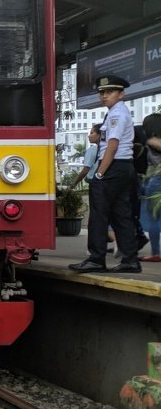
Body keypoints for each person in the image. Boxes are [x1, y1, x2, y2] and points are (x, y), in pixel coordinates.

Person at [69, 75, 140, 273]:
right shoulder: (117, 113)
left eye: (109, 92)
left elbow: (112, 145)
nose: (104, 96)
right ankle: (130, 260)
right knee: (121, 215)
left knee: (99, 214)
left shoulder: (117, 114)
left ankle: (97, 258)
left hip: (113, 166)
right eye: (102, 92)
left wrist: (99, 173)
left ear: (121, 94)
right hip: (124, 167)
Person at [139, 113, 161, 263]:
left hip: (156, 181)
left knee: (154, 219)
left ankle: (156, 253)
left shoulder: (152, 141)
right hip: (154, 180)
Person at [67, 123, 101, 189]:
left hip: (95, 183)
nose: (89, 136)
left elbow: (85, 170)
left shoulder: (92, 150)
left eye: (92, 133)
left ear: (99, 135)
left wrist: (72, 185)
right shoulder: (107, 150)